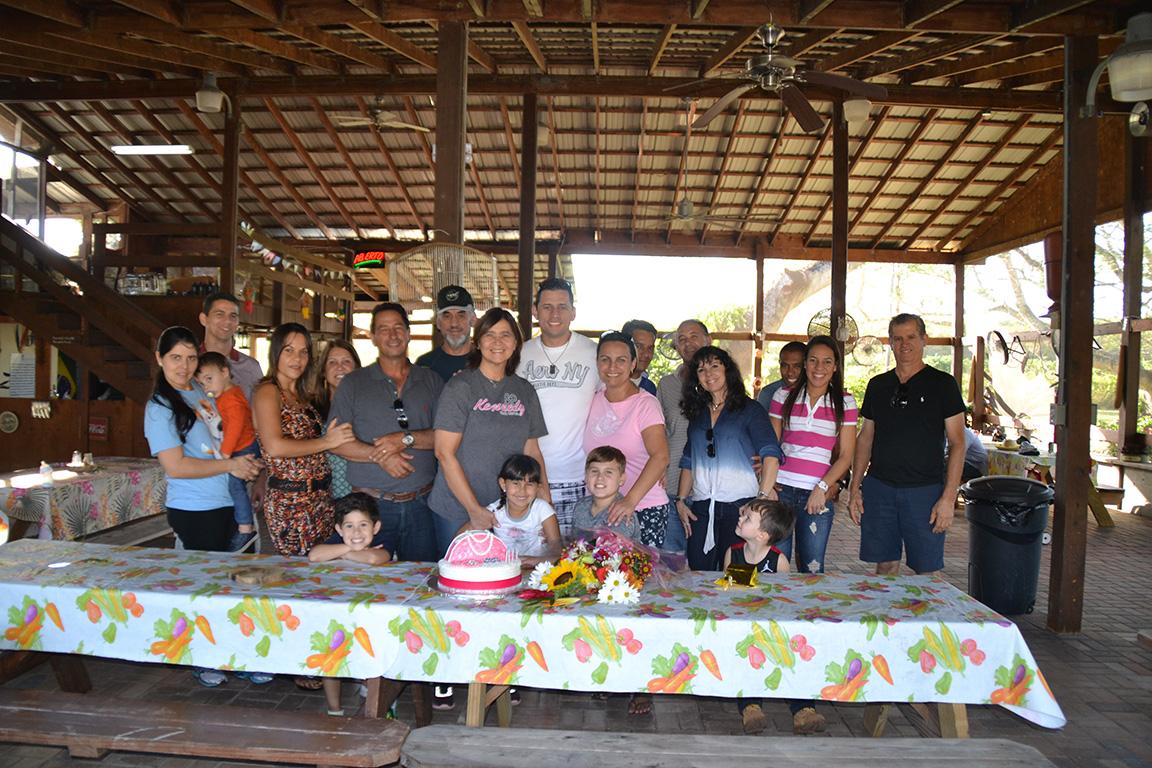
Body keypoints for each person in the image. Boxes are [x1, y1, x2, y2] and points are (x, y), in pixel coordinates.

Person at [430, 307, 549, 711]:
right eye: (490, 335)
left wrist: (544, 506)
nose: (498, 342)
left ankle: (502, 672)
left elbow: (533, 452)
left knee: (507, 594)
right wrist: (475, 511)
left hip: (510, 511)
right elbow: (445, 453)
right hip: (456, 508)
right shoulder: (461, 387)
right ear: (478, 341)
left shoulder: (524, 390)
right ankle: (446, 675)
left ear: (516, 344)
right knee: (456, 595)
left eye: (506, 335)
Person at [143, 326, 263, 688]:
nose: (184, 366)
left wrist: (244, 465)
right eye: (175, 358)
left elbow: (221, 441)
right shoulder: (159, 407)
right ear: (159, 359)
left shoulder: (198, 390)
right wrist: (231, 466)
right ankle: (204, 658)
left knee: (234, 586)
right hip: (195, 508)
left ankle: (237, 655)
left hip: (226, 499)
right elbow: (176, 466)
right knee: (205, 589)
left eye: (191, 357)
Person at [848, 313, 966, 575]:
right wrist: (855, 488)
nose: (905, 344)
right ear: (890, 342)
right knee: (885, 565)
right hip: (880, 488)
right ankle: (885, 605)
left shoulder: (943, 384)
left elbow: (958, 443)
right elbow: (865, 438)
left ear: (924, 340)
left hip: (925, 491)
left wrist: (949, 498)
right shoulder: (878, 385)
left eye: (911, 337)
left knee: (927, 571)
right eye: (898, 338)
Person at [330, 303, 443, 563]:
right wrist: (382, 456)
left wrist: (404, 440)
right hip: (368, 507)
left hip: (422, 503)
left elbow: (446, 437)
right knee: (366, 578)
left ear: (408, 333)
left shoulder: (431, 380)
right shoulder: (353, 383)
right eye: (383, 329)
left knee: (420, 575)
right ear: (372, 337)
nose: (392, 335)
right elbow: (336, 443)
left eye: (398, 327)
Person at [724, 499, 825, 736]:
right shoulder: (733, 553)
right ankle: (750, 707)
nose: (740, 518)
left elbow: (783, 599)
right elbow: (727, 592)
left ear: (762, 535)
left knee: (792, 658)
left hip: (774, 627)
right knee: (748, 657)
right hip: (744, 626)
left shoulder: (778, 560)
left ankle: (804, 709)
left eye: (747, 518)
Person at [252, 322, 355, 557]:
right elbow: (274, 446)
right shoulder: (268, 391)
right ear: (275, 352)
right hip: (292, 502)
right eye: (289, 350)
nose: (296, 359)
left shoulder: (302, 395)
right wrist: (327, 442)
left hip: (321, 498)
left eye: (303, 352)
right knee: (299, 571)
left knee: (324, 567)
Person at [676, 346, 782, 572]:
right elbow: (689, 460)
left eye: (715, 366)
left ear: (728, 370)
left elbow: (771, 455)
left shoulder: (750, 409)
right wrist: (681, 501)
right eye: (701, 370)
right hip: (702, 508)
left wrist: (760, 500)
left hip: (741, 509)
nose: (708, 374)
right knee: (698, 572)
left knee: (737, 576)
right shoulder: (698, 413)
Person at [768, 335, 857, 573]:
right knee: (775, 567)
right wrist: (767, 483)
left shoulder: (845, 402)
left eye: (827, 362)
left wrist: (823, 487)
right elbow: (770, 446)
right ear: (805, 363)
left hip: (817, 495)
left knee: (813, 569)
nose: (819, 368)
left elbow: (846, 455)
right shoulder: (782, 396)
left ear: (835, 366)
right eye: (813, 360)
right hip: (781, 491)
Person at [517, 278, 598, 537]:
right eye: (547, 307)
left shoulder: (594, 354)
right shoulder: (518, 355)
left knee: (578, 555)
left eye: (562, 307)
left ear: (573, 312)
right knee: (532, 553)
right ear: (535, 310)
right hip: (527, 478)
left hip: (580, 478)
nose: (555, 314)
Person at [308, 492, 395, 717]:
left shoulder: (385, 538)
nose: (356, 533)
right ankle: (334, 710)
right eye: (349, 526)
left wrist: (343, 554)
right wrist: (350, 550)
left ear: (376, 527)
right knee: (330, 652)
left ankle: (375, 696)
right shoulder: (338, 542)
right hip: (339, 610)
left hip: (373, 612)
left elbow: (375, 558)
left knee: (375, 647)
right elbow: (315, 555)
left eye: (363, 525)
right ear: (339, 529)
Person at [583, 331, 670, 549]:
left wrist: (630, 500)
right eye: (605, 359)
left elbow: (660, 457)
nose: (612, 366)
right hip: (600, 507)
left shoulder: (645, 404)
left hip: (642, 507)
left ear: (633, 364)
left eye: (621, 360)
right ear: (597, 363)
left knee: (640, 570)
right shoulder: (592, 399)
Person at [656, 319, 712, 554]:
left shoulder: (721, 383)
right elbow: (658, 433)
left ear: (708, 340)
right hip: (671, 483)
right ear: (677, 348)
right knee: (672, 559)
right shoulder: (666, 385)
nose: (688, 343)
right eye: (682, 339)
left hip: (709, 488)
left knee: (706, 561)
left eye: (694, 336)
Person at [194, 351, 260, 552]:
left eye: (209, 379)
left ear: (224, 372)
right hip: (240, 446)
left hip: (243, 447)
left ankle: (245, 528)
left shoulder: (232, 400)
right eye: (202, 383)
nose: (206, 387)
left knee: (235, 486)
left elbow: (234, 429)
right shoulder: (227, 395)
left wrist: (225, 454)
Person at [471, 454, 561, 567]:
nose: (522, 490)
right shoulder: (494, 511)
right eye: (515, 483)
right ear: (503, 484)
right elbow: (460, 537)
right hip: (504, 570)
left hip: (538, 570)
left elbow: (557, 552)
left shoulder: (543, 510)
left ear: (538, 487)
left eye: (529, 484)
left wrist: (536, 561)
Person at [314, 340, 362, 500]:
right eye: (332, 362)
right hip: (319, 495)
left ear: (357, 368)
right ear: (323, 371)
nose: (340, 367)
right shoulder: (311, 408)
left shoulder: (368, 406)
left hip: (360, 493)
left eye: (346, 361)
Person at [199, 292, 263, 400]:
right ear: (204, 319)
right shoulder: (190, 362)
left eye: (233, 316)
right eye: (219, 314)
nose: (227, 321)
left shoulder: (251, 367)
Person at [571, 445, 640, 540]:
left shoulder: (622, 514)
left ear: (621, 479)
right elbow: (575, 543)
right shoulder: (580, 506)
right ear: (586, 477)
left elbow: (613, 547)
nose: (600, 477)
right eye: (594, 471)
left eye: (608, 472)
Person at [416, 285, 476, 382]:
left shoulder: (486, 362)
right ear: (438, 323)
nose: (454, 323)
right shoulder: (425, 366)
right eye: (447, 316)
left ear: (473, 320)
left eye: (461, 315)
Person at [756, 341, 806, 411]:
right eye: (785, 366)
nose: (790, 372)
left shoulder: (816, 393)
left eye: (797, 366)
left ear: (807, 365)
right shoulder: (769, 393)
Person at [621, 319, 658, 395]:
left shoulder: (650, 388)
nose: (646, 354)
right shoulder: (604, 384)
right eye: (639, 346)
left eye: (650, 348)